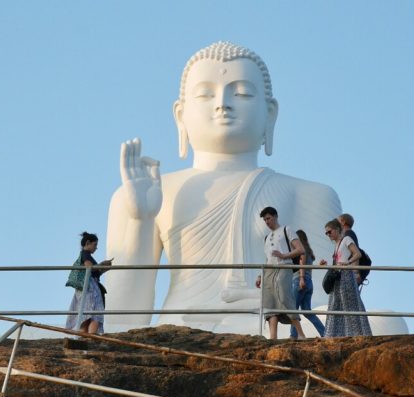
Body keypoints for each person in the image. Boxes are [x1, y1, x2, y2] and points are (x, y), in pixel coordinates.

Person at [104, 41, 342, 335]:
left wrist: (265, 298)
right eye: (205, 94)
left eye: (241, 92)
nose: (222, 103)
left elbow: (323, 301)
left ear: (270, 114)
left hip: (269, 316)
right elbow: (119, 319)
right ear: (180, 115)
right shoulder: (149, 192)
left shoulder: (310, 193)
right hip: (181, 328)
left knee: (386, 320)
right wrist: (140, 220)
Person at [255, 207, 306, 340]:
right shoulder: (266, 237)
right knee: (269, 302)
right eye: (265, 219)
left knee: (284, 297)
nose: (267, 221)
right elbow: (268, 258)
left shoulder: (286, 229)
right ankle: (273, 337)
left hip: (284, 266)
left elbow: (300, 249)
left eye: (269, 218)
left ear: (275, 216)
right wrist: (261, 275)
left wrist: (284, 255)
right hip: (269, 270)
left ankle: (300, 333)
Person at [319, 219, 372, 337]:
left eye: (329, 232)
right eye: (326, 233)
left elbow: (357, 253)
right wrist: (327, 265)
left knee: (350, 304)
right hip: (338, 276)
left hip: (346, 276)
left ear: (337, 229)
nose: (328, 235)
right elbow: (338, 263)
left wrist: (348, 263)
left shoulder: (346, 239)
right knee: (335, 304)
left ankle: (358, 333)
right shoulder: (337, 245)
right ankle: (334, 334)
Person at [66, 232, 112, 335]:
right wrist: (101, 265)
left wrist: (103, 267)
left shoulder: (85, 255)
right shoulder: (85, 254)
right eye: (95, 245)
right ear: (87, 243)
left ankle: (85, 336)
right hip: (90, 288)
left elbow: (94, 271)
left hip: (86, 288)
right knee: (95, 313)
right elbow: (89, 267)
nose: (96, 248)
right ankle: (91, 336)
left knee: (86, 314)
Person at [290, 229, 326, 338]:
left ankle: (293, 335)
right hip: (309, 282)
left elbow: (302, 264)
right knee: (307, 311)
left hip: (299, 280)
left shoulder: (302, 251)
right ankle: (324, 333)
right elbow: (307, 267)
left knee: (293, 309)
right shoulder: (309, 252)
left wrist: (301, 279)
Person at [338, 213, 363, 285]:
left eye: (337, 221)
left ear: (343, 222)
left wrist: (356, 272)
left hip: (350, 274)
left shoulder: (349, 233)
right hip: (347, 273)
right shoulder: (346, 235)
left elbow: (355, 253)